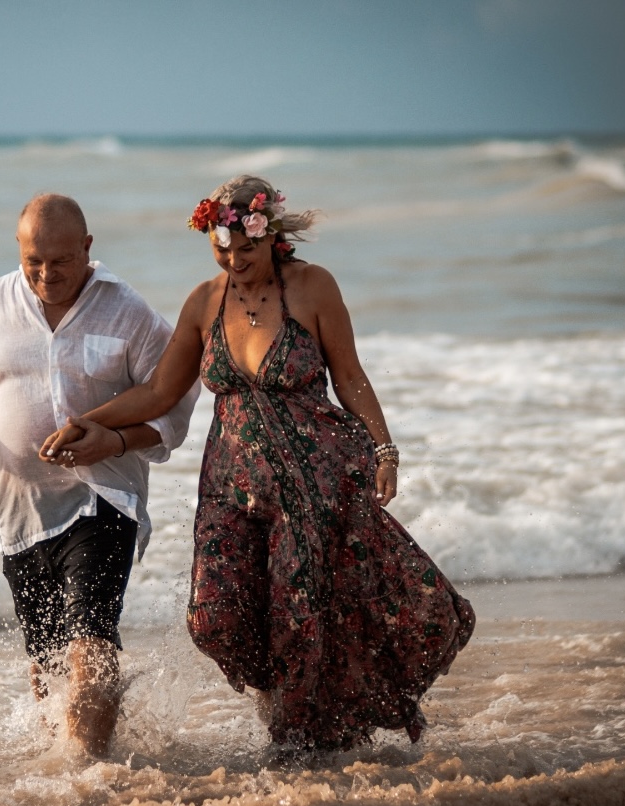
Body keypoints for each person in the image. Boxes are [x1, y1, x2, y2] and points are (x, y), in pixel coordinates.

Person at [41, 175, 475, 753]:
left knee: (300, 620)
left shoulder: (313, 288)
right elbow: (159, 393)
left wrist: (384, 449)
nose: (234, 259)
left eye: (246, 247)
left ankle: (298, 747)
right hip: (230, 487)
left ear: (272, 237)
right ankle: (286, 704)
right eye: (222, 247)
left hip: (311, 484)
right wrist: (94, 421)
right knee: (212, 618)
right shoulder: (204, 301)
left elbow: (349, 376)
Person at [0, 193, 198, 758]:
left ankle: (84, 778)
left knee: (89, 645)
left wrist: (118, 439)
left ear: (88, 249)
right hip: (21, 514)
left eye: (60, 261)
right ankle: (65, 768)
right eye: (34, 261)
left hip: (102, 500)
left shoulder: (128, 311)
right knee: (46, 664)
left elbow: (175, 403)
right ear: (20, 252)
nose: (46, 274)